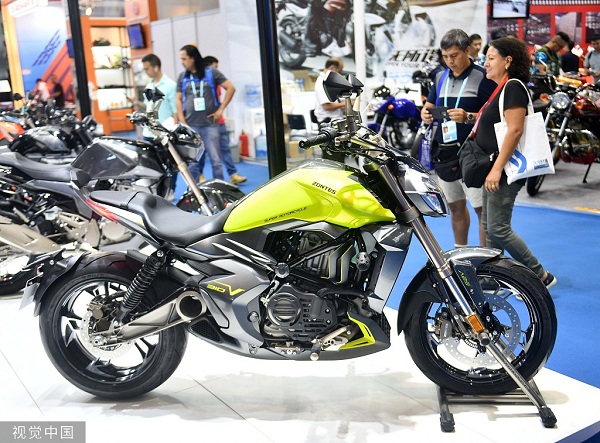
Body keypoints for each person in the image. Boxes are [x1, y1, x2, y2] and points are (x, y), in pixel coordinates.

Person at [475, 37, 556, 288]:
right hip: (496, 167)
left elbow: (515, 130)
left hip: (505, 168)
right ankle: (492, 276)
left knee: (498, 228)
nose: (485, 63)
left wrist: (497, 168)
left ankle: (540, 275)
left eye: (491, 58)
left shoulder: (513, 87)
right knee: (489, 226)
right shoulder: (502, 88)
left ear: (507, 61)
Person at [421, 29, 496, 248]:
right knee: (455, 206)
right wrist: (425, 113)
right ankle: (460, 252)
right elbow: (429, 105)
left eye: (454, 55)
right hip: (446, 152)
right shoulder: (440, 76)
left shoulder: (483, 77)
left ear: (467, 50)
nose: (449, 61)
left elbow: (495, 116)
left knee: (481, 209)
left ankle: (485, 259)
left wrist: (468, 117)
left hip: (474, 153)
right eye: (445, 56)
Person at [176, 44, 235, 182]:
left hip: (210, 125)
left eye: (184, 59)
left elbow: (231, 88)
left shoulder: (211, 72)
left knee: (216, 161)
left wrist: (221, 110)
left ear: (193, 58)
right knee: (193, 163)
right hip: (191, 126)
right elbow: (178, 99)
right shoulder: (182, 77)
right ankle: (195, 191)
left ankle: (220, 187)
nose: (182, 62)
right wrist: (182, 120)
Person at [202, 55, 246, 184]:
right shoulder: (204, 84)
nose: (217, 70)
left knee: (225, 148)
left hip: (219, 121)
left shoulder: (218, 84)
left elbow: (229, 91)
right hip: (205, 124)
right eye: (215, 67)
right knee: (204, 153)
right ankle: (200, 176)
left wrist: (220, 111)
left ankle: (233, 174)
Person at [140, 53, 179, 198]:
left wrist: (175, 130)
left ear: (156, 67)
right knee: (150, 164)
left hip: (164, 132)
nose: (146, 72)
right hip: (148, 132)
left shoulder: (170, 85)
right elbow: (148, 107)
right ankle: (157, 191)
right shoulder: (149, 85)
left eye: (147, 68)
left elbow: (175, 110)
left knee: (170, 163)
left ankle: (170, 190)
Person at [314, 56, 346, 162]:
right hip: (328, 124)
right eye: (339, 71)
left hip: (334, 123)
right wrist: (344, 104)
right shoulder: (322, 82)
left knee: (338, 156)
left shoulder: (327, 82)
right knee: (334, 158)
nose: (339, 74)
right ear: (332, 68)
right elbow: (326, 106)